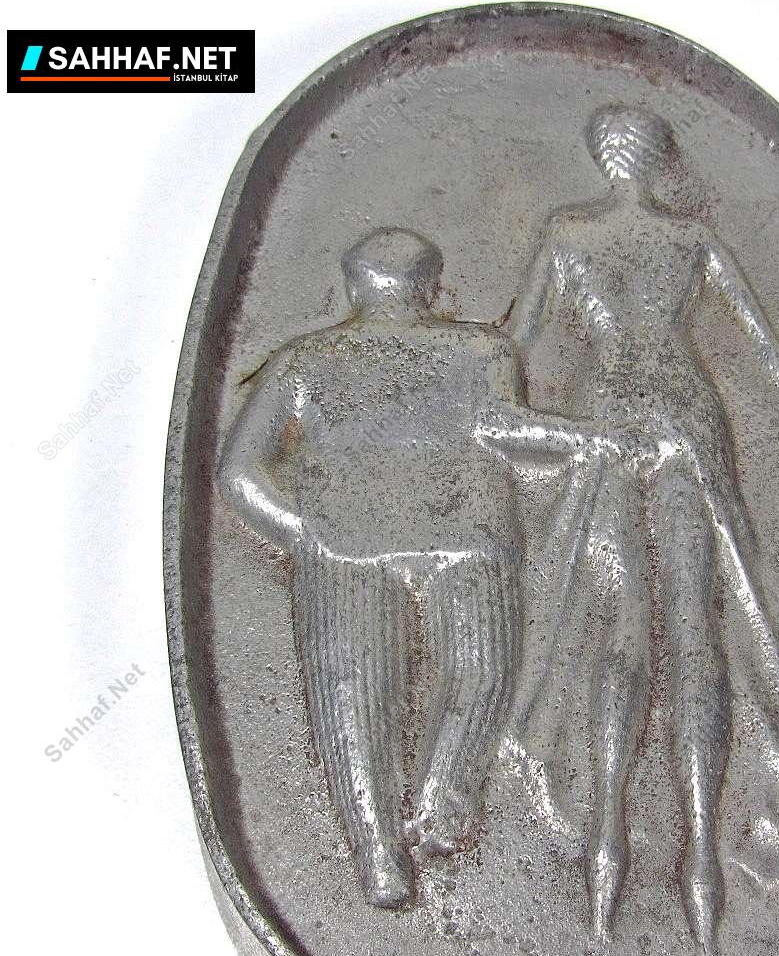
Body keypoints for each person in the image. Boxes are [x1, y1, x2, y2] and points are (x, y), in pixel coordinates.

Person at [496, 105, 779, 953]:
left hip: (609, 415)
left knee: (624, 628)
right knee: (696, 625)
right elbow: (763, 346)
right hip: (688, 413)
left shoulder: (569, 234)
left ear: (604, 159)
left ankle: (608, 845)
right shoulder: (691, 238)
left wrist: (487, 424)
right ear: (657, 160)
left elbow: (510, 352)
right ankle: (701, 858)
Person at [220, 227, 550, 909]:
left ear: (354, 286)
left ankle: (378, 853)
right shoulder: (484, 350)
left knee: (352, 699)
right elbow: (505, 430)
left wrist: (312, 532)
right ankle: (441, 800)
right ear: (432, 286)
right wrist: (590, 441)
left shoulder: (306, 360)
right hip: (466, 536)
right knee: (482, 671)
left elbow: (240, 472)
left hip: (352, 543)